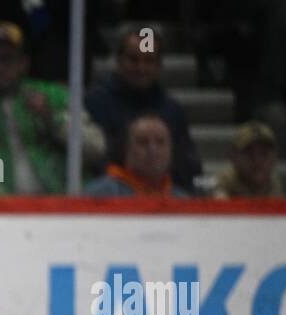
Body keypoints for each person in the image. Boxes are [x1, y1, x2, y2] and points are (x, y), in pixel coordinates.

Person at [0, 20, 104, 195]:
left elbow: (96, 148)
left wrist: (53, 119)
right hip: (2, 205)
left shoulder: (55, 96)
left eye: (7, 58)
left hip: (62, 201)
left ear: (24, 63)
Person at [84, 27, 202, 195]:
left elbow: (187, 165)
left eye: (149, 60)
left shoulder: (173, 111)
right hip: (107, 200)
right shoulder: (95, 103)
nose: (141, 67)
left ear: (159, 65)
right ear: (119, 61)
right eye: (133, 59)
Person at [85, 113, 190, 198]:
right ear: (126, 149)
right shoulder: (99, 195)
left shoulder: (183, 200)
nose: (153, 149)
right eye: (143, 142)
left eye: (160, 142)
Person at [212, 121, 284, 199]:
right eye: (249, 153)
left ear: (275, 157)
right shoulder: (222, 184)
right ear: (233, 156)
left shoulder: (272, 184)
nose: (257, 160)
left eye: (264, 153)